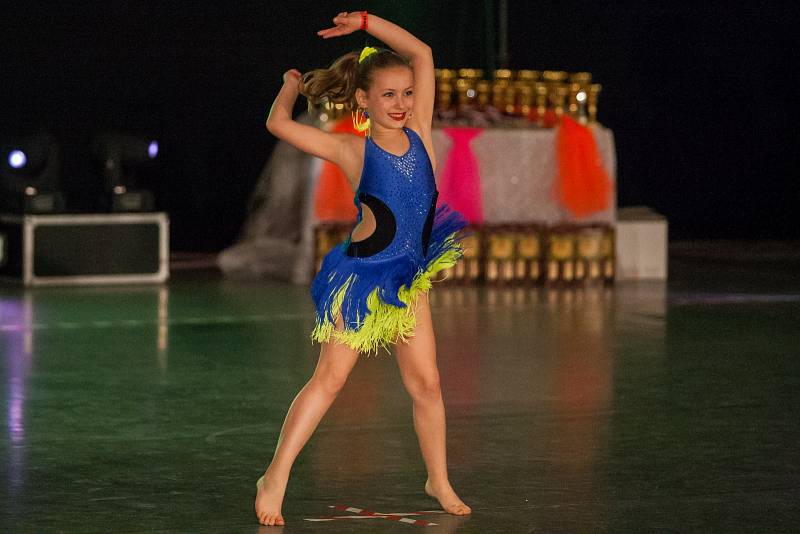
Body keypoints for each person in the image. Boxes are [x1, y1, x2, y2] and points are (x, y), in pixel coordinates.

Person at [255, 10, 472, 526]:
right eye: (389, 95)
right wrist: (288, 85)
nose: (402, 104)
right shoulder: (351, 148)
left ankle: (437, 478)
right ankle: (275, 476)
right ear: (363, 101)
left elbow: (422, 54)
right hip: (364, 281)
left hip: (409, 278)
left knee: (428, 384)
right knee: (329, 380)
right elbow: (277, 124)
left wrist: (369, 22)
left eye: (407, 93)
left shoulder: (420, 133)